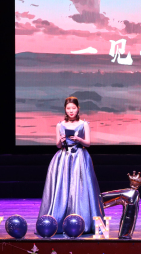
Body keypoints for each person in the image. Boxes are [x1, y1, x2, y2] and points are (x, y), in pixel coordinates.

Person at [38, 97, 105, 234]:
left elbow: (88, 143)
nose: (71, 111)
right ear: (65, 109)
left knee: (80, 187)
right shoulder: (60, 125)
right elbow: (58, 145)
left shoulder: (84, 124)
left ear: (78, 109)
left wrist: (79, 139)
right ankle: (60, 220)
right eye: (68, 108)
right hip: (64, 157)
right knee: (63, 188)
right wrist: (61, 140)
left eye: (73, 108)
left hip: (79, 157)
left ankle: (83, 221)